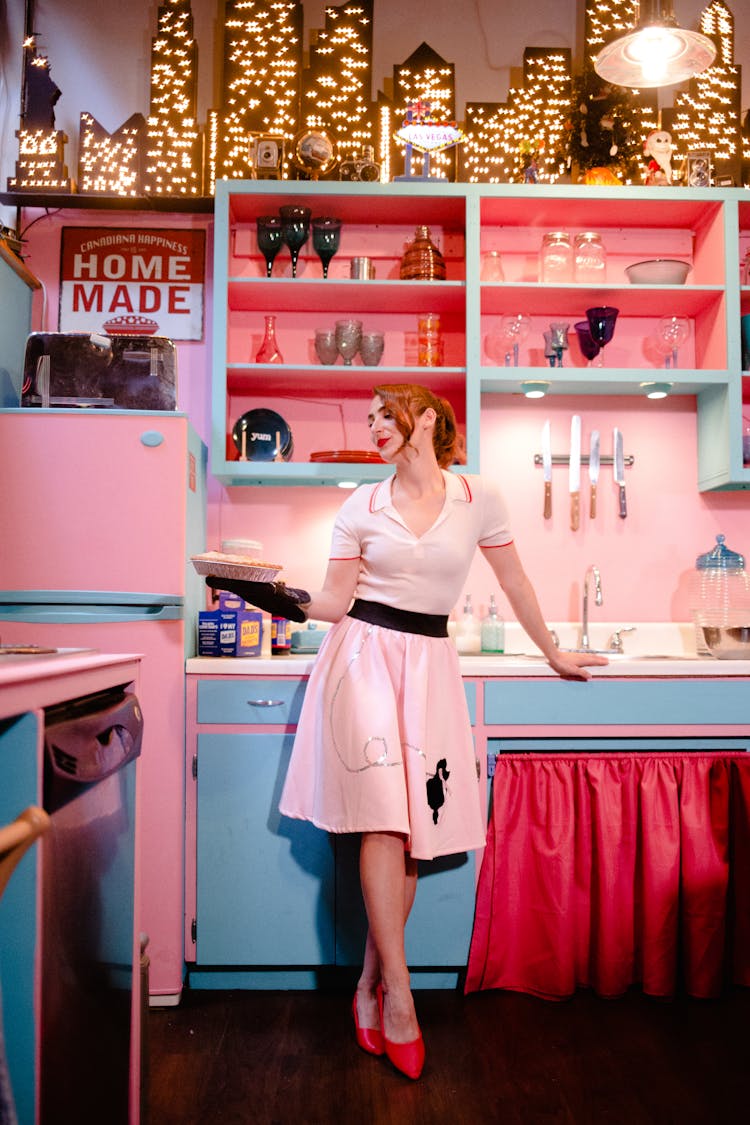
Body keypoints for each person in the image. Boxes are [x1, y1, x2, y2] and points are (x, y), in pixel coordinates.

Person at [207, 383, 607, 1080]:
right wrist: (268, 592)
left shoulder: (479, 497)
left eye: (384, 414)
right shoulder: (360, 504)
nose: (373, 427)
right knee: (385, 826)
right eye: (366, 418)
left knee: (413, 837)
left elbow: (514, 581)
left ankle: (370, 983)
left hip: (427, 665)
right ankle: (402, 998)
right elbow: (334, 601)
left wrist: (552, 651)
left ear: (426, 417)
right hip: (361, 658)